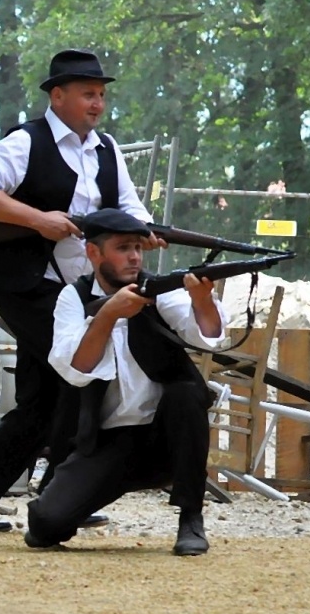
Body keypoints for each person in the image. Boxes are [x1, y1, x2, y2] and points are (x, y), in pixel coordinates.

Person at [0, 49, 158, 533]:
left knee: (44, 401)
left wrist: (144, 231)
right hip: (26, 282)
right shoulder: (25, 141)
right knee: (77, 376)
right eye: (87, 94)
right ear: (58, 96)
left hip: (72, 291)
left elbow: (131, 209)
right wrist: (38, 220)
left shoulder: (107, 150)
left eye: (100, 95)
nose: (97, 104)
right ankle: (59, 493)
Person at [24, 209, 228, 555]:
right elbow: (74, 367)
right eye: (123, 248)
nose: (134, 256)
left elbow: (209, 335)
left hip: (166, 435)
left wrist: (202, 301)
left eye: (138, 247)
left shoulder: (161, 289)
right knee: (46, 526)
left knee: (186, 394)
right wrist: (108, 314)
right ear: (94, 252)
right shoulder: (73, 299)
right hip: (108, 442)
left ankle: (191, 518)